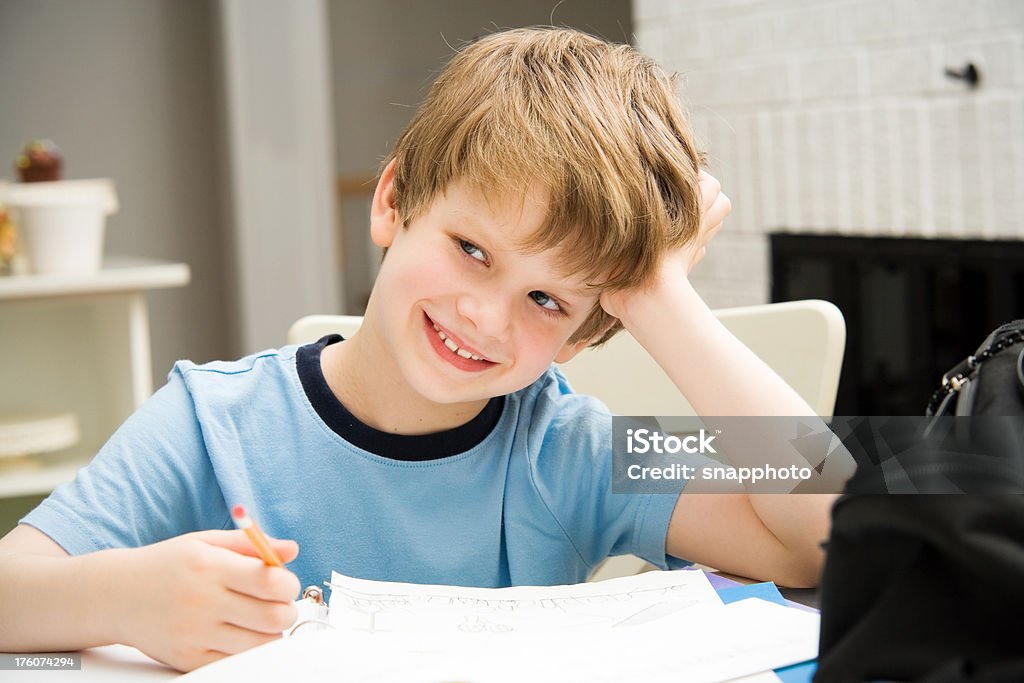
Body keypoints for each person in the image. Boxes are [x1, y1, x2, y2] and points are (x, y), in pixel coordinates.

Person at [0, 27, 839, 672]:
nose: (485, 317)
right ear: (395, 200)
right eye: (473, 248)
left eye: (546, 299)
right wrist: (125, 599)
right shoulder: (207, 421)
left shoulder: (570, 448)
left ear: (584, 332)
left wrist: (661, 298)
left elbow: (829, 532)